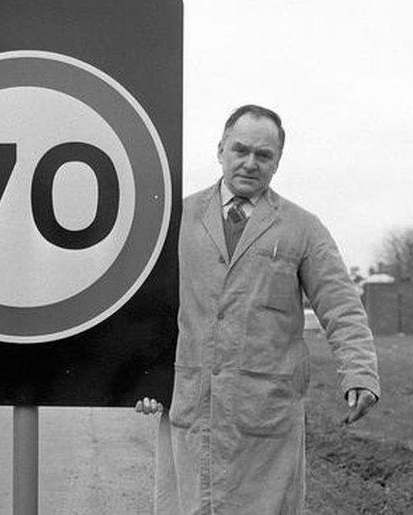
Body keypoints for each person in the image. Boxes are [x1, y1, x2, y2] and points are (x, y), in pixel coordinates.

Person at [136, 104, 380, 514]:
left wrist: (359, 372)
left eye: (263, 155)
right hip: (194, 404)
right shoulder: (177, 217)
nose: (250, 163)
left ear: (277, 162)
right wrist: (142, 379)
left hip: (265, 413)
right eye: (241, 150)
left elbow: (342, 306)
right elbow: (147, 310)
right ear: (220, 150)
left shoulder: (303, 228)